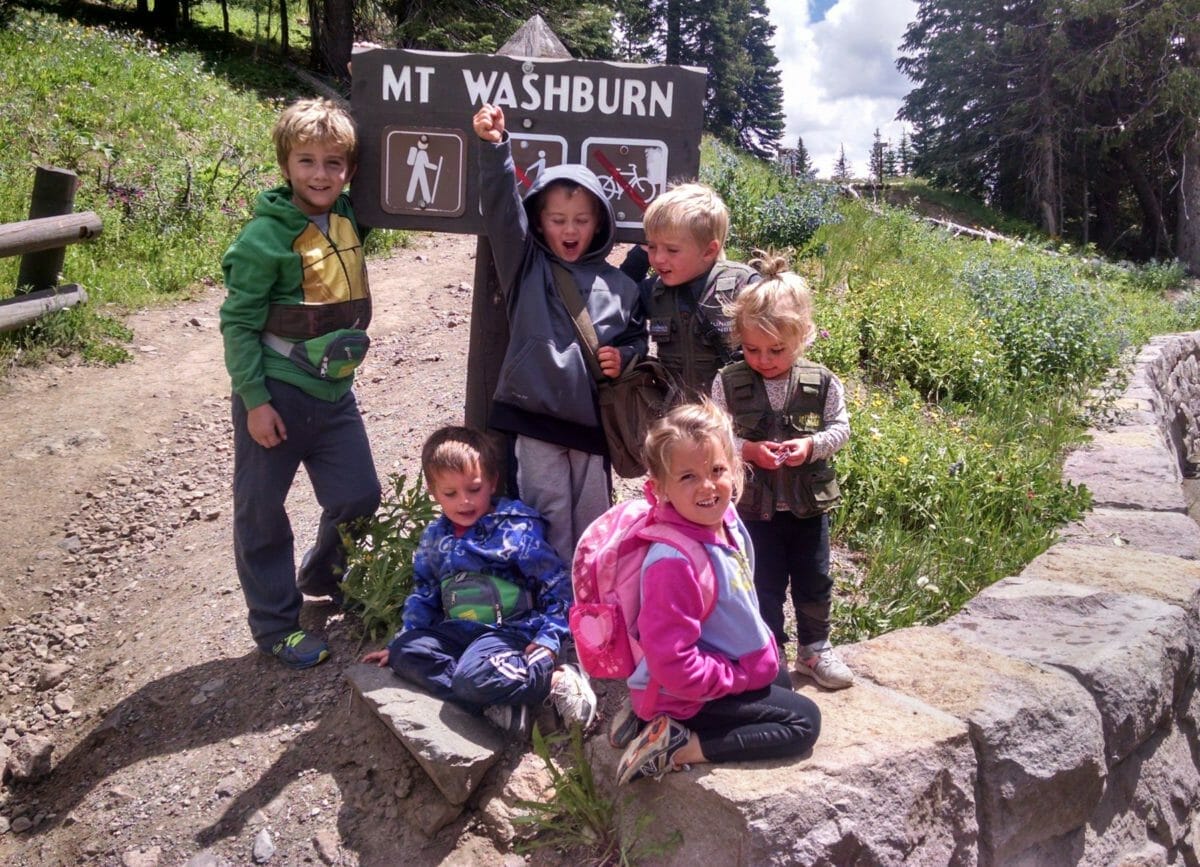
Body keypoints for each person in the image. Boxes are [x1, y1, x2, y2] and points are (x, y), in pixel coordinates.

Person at [220, 97, 381, 670]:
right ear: (286, 165)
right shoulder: (263, 238)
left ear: (350, 170)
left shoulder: (348, 218)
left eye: (333, 163)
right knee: (261, 512)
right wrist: (255, 402)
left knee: (359, 496)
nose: (320, 174)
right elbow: (238, 323)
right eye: (307, 161)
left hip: (336, 394)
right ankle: (275, 625)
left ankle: (321, 573)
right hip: (277, 397)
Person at [472, 103, 647, 562]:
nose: (570, 229)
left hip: (592, 424)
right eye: (557, 219)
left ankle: (588, 604)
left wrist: (625, 356)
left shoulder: (622, 285)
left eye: (582, 220)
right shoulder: (526, 266)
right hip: (535, 421)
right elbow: (501, 213)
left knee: (592, 519)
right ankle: (552, 607)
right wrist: (495, 150)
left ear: (600, 223)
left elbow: (637, 340)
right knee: (545, 514)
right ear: (539, 220)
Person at [614, 401, 821, 785]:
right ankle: (678, 744)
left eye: (717, 470)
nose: (707, 486)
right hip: (684, 692)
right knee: (804, 722)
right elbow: (675, 666)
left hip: (708, 672)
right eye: (688, 477)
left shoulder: (724, 521)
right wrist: (740, 676)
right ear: (659, 489)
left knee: (780, 683)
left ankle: (649, 720)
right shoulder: (672, 563)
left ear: (735, 468)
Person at [361, 426, 597, 736]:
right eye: (450, 494)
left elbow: (556, 585)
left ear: (492, 482)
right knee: (406, 652)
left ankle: (556, 680)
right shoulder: (435, 539)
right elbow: (425, 592)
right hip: (458, 632)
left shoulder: (515, 530)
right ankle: (497, 702)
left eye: (474, 489)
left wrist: (550, 639)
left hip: (508, 633)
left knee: (470, 676)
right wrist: (402, 639)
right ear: (433, 493)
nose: (464, 502)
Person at [711, 252, 854, 690]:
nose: (764, 359)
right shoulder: (727, 381)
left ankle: (815, 651)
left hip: (808, 508)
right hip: (754, 510)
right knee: (762, 584)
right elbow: (714, 440)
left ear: (803, 337)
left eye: (777, 350)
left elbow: (841, 428)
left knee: (814, 579)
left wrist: (810, 446)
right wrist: (747, 450)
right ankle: (769, 656)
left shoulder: (824, 381)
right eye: (752, 349)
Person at [620, 183, 759, 399]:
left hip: (733, 416)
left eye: (672, 250)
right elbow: (619, 292)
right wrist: (639, 253)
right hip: (678, 416)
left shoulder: (742, 285)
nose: (658, 259)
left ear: (709, 251)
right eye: (652, 246)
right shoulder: (654, 291)